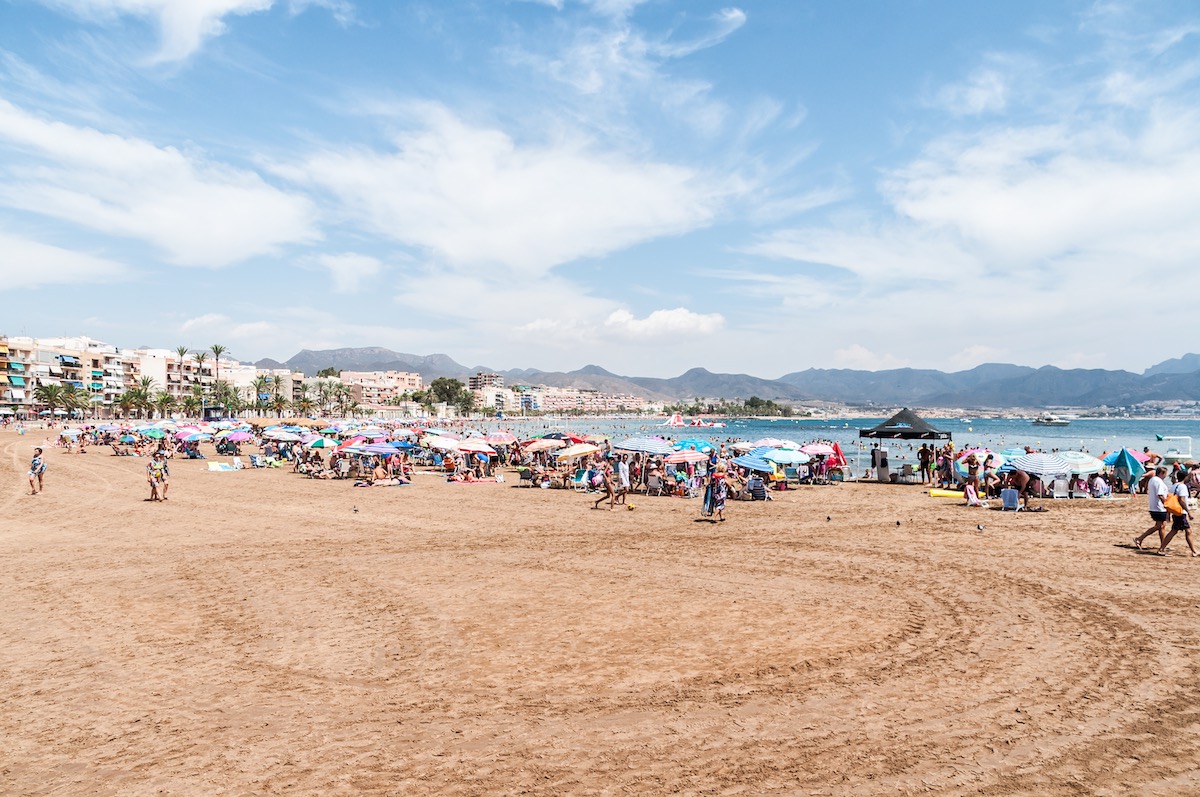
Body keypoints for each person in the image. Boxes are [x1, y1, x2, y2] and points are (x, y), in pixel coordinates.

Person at [1134, 467, 1171, 551]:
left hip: (1154, 506)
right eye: (1165, 474)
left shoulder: (1152, 480)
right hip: (1159, 507)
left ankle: (1163, 544)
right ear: (1161, 473)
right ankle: (1140, 538)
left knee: (1162, 526)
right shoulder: (1159, 481)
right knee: (1159, 526)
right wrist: (1167, 504)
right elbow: (1160, 495)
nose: (1165, 476)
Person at [1158, 477, 1196, 557]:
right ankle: (1194, 551)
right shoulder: (1182, 487)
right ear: (1185, 477)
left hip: (1176, 511)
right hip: (1180, 512)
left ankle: (1161, 548)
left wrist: (1168, 513)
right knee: (1183, 531)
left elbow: (1170, 500)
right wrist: (1188, 512)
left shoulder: (1174, 486)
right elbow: (1181, 500)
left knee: (1177, 531)